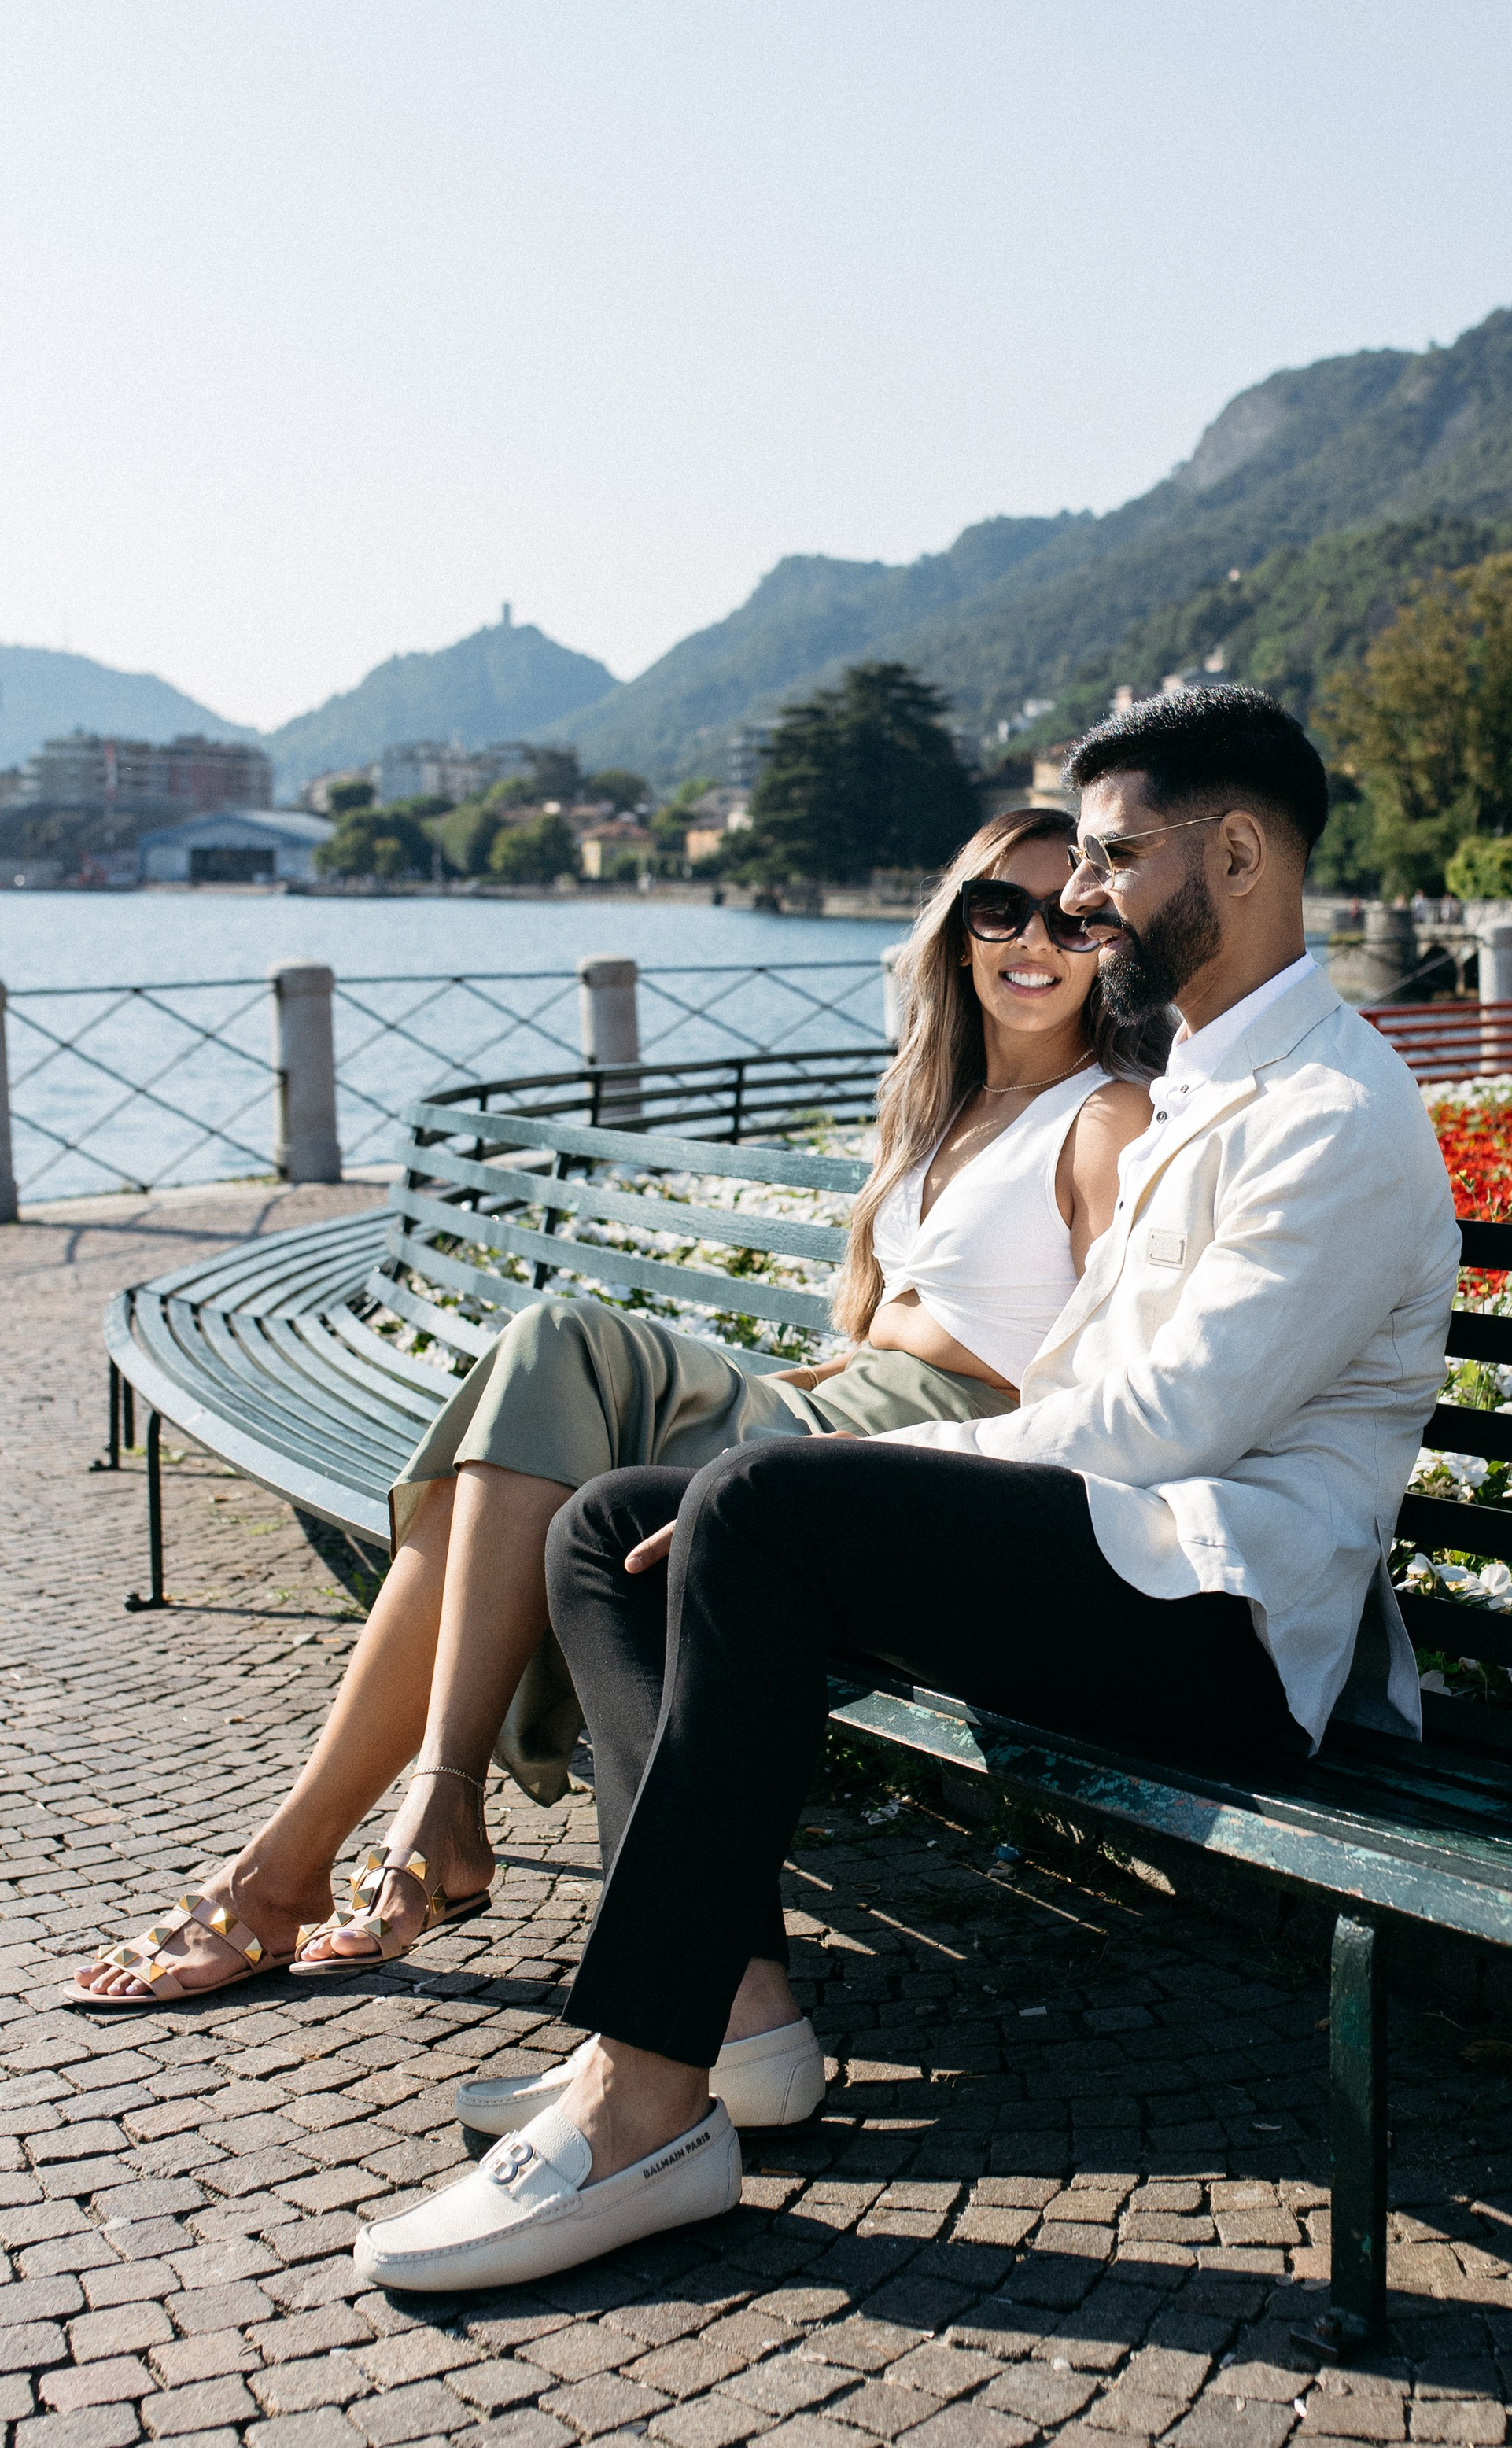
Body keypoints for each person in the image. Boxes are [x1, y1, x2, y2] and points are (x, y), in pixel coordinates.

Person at [356, 684, 1462, 2293]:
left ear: (1234, 854)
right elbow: (1085, 1408)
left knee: (749, 1505)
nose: (1079, 899)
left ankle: (631, 2103)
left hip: (1225, 1624)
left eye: (1108, 857)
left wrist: (837, 1468)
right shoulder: (1209, 1082)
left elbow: (1151, 1429)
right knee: (611, 1532)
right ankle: (727, 2016)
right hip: (1114, 1565)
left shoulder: (1332, 1113)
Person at [66, 807, 1163, 2071]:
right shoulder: (942, 1107)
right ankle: (369, 1833)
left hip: (913, 1469)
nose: (1034, 940)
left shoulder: (1104, 1118)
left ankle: (363, 1834)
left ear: (1110, 944)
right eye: (998, 909)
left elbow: (1096, 1379)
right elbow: (899, 1328)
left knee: (552, 1355)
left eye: (1071, 916)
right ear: (957, 934)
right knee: (533, 1417)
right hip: (827, 1418)